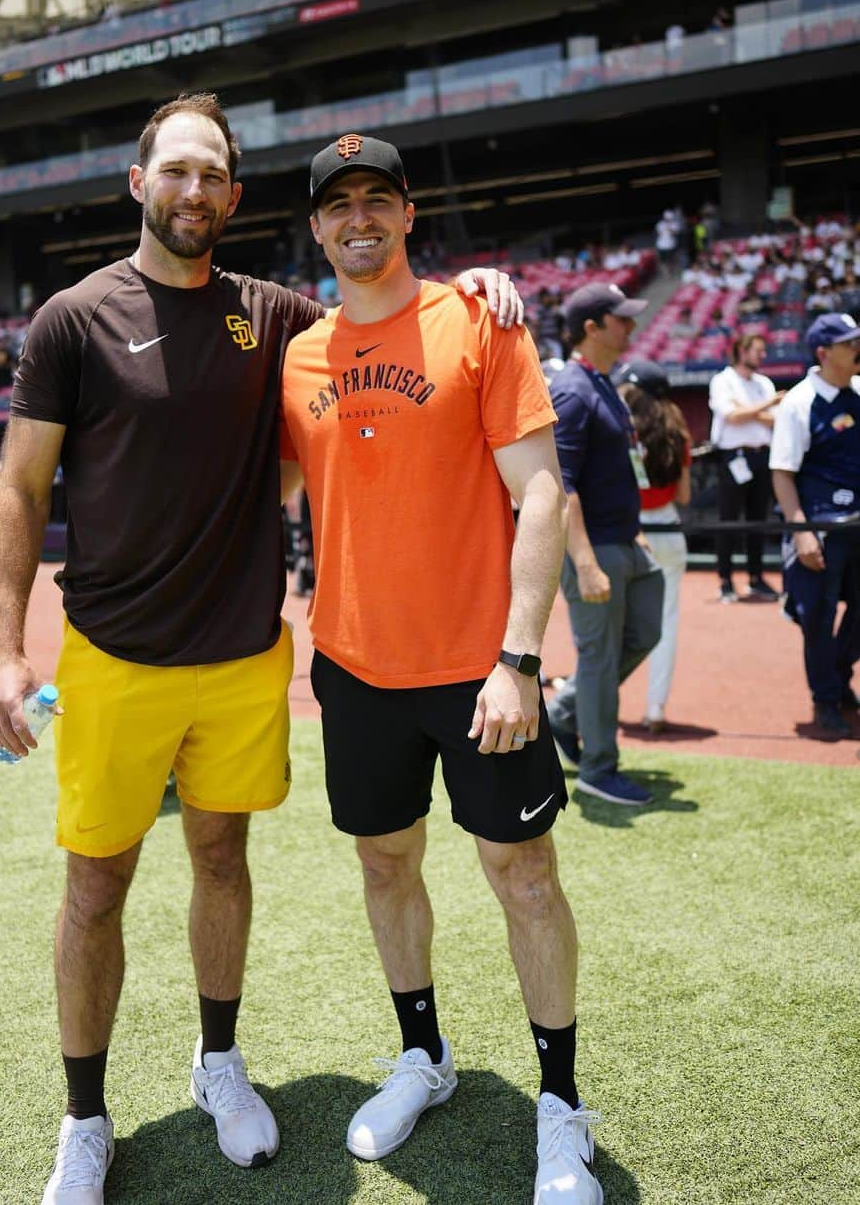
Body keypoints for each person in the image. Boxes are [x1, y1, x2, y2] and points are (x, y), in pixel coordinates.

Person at [0, 95, 524, 1205]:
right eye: (175, 170)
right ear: (140, 182)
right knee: (96, 886)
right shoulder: (72, 321)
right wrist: (1, 651)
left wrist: (481, 285)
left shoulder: (273, 316)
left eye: (213, 175)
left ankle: (218, 1061)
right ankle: (84, 1121)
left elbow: (381, 301)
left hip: (241, 660)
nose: (193, 192)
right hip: (113, 658)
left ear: (233, 195)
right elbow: (20, 489)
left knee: (223, 861)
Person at [280, 135, 602, 1205]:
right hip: (355, 667)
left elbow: (542, 494)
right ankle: (425, 1058)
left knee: (524, 876)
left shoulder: (481, 320)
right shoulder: (299, 356)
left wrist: (517, 658)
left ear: (408, 212)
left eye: (378, 198)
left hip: (479, 672)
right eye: (339, 205)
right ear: (317, 227)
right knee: (385, 865)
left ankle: (560, 1103)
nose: (358, 217)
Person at [546, 282, 664, 806]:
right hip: (593, 547)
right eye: (620, 319)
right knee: (598, 656)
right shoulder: (572, 389)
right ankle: (599, 766)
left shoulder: (603, 382)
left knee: (644, 630)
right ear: (591, 327)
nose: (631, 326)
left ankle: (564, 712)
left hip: (626, 541)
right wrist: (585, 561)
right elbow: (561, 482)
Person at [770, 313, 860, 740]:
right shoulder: (799, 401)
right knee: (817, 618)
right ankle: (826, 700)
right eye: (850, 342)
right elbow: (782, 473)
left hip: (857, 527)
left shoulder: (858, 391)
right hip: (820, 527)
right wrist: (801, 530)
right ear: (824, 353)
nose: (857, 347)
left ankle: (839, 677)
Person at [616, 362, 691, 733]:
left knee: (613, 626)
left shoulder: (622, 428)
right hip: (669, 527)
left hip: (629, 530)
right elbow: (685, 494)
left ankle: (596, 702)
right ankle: (655, 709)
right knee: (666, 623)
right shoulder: (677, 431)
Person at [709, 334, 783, 603]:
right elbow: (731, 416)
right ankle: (726, 580)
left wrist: (749, 410)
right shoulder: (723, 380)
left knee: (758, 520)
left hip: (763, 456)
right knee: (729, 519)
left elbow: (776, 420)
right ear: (741, 351)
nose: (762, 356)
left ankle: (755, 577)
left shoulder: (764, 382)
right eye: (757, 351)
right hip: (733, 457)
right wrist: (766, 405)